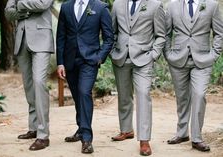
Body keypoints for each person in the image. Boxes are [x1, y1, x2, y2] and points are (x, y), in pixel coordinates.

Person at [165, 0, 223, 152]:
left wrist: (214, 54)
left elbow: (219, 33)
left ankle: (197, 138)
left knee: (199, 95)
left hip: (203, 60)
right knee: (182, 97)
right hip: (178, 59)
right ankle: (182, 133)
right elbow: (165, 33)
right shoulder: (171, 6)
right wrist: (168, 54)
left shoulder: (212, 5)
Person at [56, 0, 113, 154]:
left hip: (90, 61)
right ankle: (81, 128)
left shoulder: (101, 8)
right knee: (77, 96)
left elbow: (109, 38)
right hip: (70, 60)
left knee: (84, 92)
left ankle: (86, 138)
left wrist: (99, 57)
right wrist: (60, 63)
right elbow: (61, 36)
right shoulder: (66, 7)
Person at [110, 0, 166, 156]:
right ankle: (126, 130)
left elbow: (161, 35)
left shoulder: (155, 5)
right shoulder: (117, 4)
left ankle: (144, 139)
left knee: (143, 95)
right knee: (124, 95)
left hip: (144, 59)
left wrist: (153, 55)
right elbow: (112, 31)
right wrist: (113, 51)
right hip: (121, 57)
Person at [5, 0, 54, 151]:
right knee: (28, 85)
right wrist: (26, 11)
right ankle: (33, 128)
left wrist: (20, 5)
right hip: (21, 39)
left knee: (39, 82)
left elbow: (43, 4)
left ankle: (43, 135)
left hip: (42, 38)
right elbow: (8, 13)